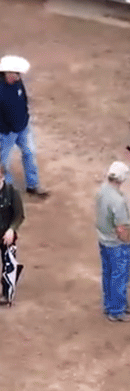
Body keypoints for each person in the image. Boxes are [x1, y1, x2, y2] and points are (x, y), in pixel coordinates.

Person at [0, 55, 48, 197]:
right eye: (16, 73)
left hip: (23, 128)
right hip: (6, 133)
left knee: (30, 153)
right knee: (4, 163)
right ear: (8, 73)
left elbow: (23, 99)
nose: (19, 77)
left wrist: (25, 117)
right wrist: (5, 129)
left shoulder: (18, 83)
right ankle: (7, 191)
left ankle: (33, 185)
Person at [97, 161, 130, 322]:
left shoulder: (102, 190)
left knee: (108, 274)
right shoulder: (118, 201)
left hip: (103, 240)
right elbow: (121, 228)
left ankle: (110, 305)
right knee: (119, 277)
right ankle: (117, 310)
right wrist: (127, 242)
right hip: (117, 244)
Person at [0, 168, 22, 306]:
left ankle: (7, 293)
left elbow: (19, 215)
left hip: (6, 234)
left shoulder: (12, 192)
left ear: (2, 177)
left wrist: (12, 229)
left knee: (9, 263)